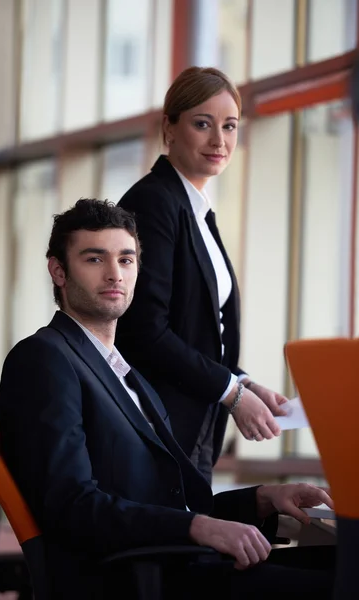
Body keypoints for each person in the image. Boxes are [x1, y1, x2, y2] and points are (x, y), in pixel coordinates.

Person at [0, 200, 334, 600]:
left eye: (126, 259)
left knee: (340, 563)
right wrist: (197, 528)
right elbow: (71, 506)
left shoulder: (128, 375)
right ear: (58, 270)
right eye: (94, 258)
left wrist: (260, 500)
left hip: (176, 565)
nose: (114, 274)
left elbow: (169, 504)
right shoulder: (44, 359)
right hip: (132, 582)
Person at [116, 67, 289, 482]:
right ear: (169, 128)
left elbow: (197, 330)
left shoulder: (195, 209)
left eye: (230, 126)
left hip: (194, 419)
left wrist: (243, 382)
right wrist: (232, 393)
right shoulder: (154, 202)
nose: (219, 141)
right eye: (202, 124)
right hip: (159, 424)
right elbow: (145, 331)